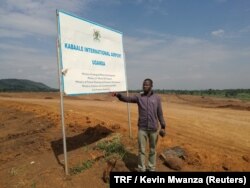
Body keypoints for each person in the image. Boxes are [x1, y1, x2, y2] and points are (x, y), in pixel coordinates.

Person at [112, 78, 166, 172]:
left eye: (147, 85)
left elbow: (160, 113)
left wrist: (163, 126)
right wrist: (118, 95)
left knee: (153, 150)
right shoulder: (139, 97)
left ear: (151, 86)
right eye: (144, 84)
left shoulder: (157, 98)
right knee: (141, 150)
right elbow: (127, 99)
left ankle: (151, 167)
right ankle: (142, 169)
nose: (145, 86)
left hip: (154, 128)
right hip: (142, 129)